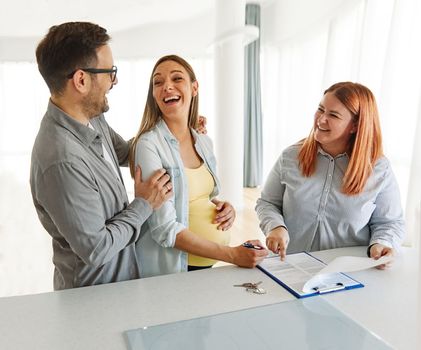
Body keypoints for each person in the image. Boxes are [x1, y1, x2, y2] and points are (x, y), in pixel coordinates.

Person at [30, 22, 173, 290]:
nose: (114, 81)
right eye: (110, 72)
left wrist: (175, 129)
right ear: (81, 80)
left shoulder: (92, 118)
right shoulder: (61, 160)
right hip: (94, 299)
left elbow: (124, 152)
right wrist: (144, 204)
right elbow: (96, 250)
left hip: (123, 285)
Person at [129, 55, 268, 277]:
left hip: (206, 265)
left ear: (194, 88)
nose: (167, 86)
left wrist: (224, 209)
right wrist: (232, 255)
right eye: (158, 82)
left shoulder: (203, 141)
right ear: (154, 95)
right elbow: (164, 228)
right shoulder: (149, 144)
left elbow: (199, 196)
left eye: (177, 78)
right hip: (174, 268)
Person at [256, 82, 405, 268]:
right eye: (320, 109)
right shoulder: (291, 157)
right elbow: (268, 203)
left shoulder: (378, 168)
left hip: (347, 273)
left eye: (333, 115)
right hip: (290, 266)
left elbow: (390, 222)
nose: (321, 119)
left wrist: (381, 244)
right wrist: (276, 227)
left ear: (355, 126)